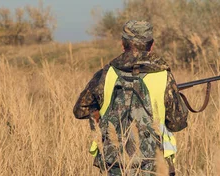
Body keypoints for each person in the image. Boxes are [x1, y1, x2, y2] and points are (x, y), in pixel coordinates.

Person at [73, 20, 189, 175]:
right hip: (155, 165)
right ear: (151, 45)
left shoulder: (107, 73)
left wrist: (103, 117)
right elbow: (177, 123)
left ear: (123, 44)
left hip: (114, 164)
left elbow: (80, 110)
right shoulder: (163, 75)